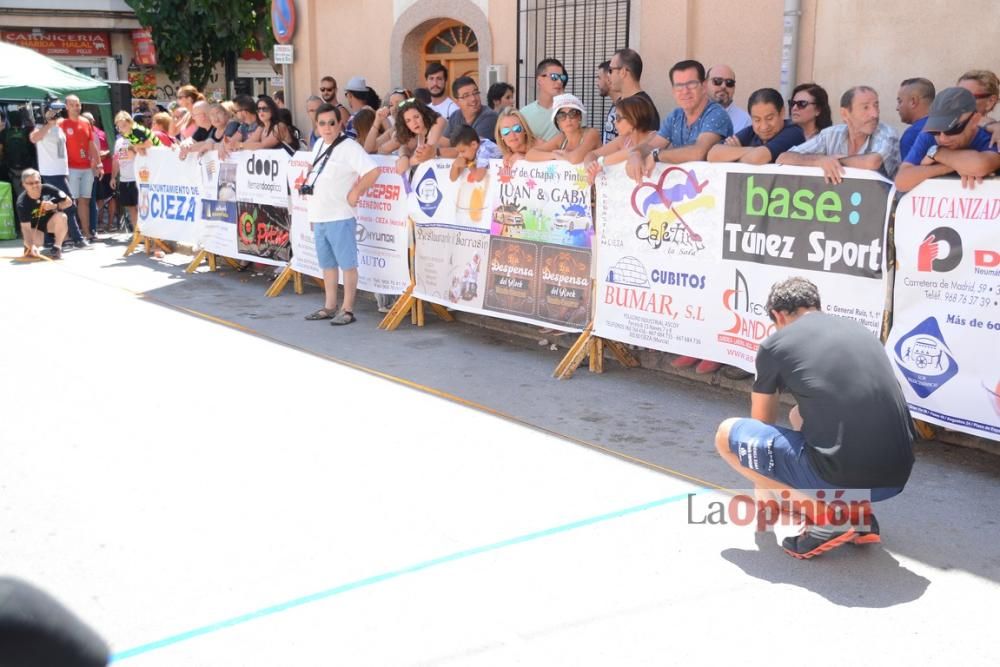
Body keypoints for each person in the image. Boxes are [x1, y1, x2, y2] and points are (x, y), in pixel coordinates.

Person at [715, 277, 914, 559]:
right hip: (896, 476)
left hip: (845, 472)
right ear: (817, 306)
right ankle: (856, 512)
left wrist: (768, 494)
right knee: (798, 413)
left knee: (727, 435)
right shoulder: (861, 331)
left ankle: (827, 515)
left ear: (778, 316)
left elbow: (761, 423)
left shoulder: (776, 344)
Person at [301, 103, 380, 326]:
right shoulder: (318, 146)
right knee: (327, 264)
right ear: (316, 126)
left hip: (340, 215)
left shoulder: (349, 147)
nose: (327, 128)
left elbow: (373, 171)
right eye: (322, 123)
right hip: (320, 215)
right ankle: (329, 305)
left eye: (332, 123)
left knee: (347, 264)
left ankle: (347, 309)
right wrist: (312, 215)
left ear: (340, 124)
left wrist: (357, 191)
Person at [627, 59, 732, 181]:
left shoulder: (716, 113)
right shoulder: (675, 116)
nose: (685, 91)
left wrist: (657, 155)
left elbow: (698, 153)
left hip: (714, 192)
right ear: (673, 91)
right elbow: (651, 145)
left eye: (691, 84)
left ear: (703, 86)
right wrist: (636, 154)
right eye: (679, 86)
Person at [777, 86, 900, 182]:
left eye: (876, 106)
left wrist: (834, 162)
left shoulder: (887, 132)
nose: (875, 114)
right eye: (866, 107)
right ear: (845, 114)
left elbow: (872, 162)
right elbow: (783, 158)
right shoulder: (830, 134)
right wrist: (819, 161)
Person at [895, 87, 1000, 192]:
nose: (942, 138)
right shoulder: (927, 135)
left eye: (952, 130)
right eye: (936, 130)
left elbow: (979, 166)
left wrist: (937, 152)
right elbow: (901, 182)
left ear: (974, 121)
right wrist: (952, 166)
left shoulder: (992, 137)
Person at [29, 98, 86, 248]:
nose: (55, 113)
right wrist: (49, 123)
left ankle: (54, 238)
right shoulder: (41, 126)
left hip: (60, 172)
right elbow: (34, 138)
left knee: (55, 206)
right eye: (52, 110)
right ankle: (77, 238)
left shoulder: (59, 127)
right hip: (50, 173)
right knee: (68, 204)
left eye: (56, 111)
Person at [708, 88, 805, 164]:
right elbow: (713, 154)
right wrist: (749, 151)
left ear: (782, 112)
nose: (764, 126)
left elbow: (758, 158)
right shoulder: (751, 132)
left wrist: (733, 154)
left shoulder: (794, 131)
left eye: (769, 118)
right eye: (757, 120)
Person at [584, 94, 660, 183]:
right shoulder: (624, 139)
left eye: (618, 118)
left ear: (633, 120)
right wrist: (590, 166)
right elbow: (592, 154)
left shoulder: (654, 137)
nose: (614, 122)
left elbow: (634, 151)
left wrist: (601, 162)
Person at [604, 48, 660, 146]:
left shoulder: (644, 107)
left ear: (623, 72)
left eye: (610, 70)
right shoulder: (619, 102)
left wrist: (604, 160)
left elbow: (645, 148)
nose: (608, 75)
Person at [526, 93, 600, 164]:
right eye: (562, 116)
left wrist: (561, 155)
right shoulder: (562, 138)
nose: (568, 119)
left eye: (573, 113)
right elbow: (530, 155)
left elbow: (575, 159)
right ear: (557, 122)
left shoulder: (591, 133)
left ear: (579, 117)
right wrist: (554, 155)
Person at [15, 168, 71, 259]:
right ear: (24, 185)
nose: (35, 185)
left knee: (62, 216)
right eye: (30, 183)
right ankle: (29, 247)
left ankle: (57, 248)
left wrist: (55, 206)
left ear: (40, 181)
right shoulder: (22, 203)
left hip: (50, 222)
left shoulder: (48, 189)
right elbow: (25, 229)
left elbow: (69, 202)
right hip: (34, 227)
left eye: (37, 182)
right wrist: (31, 245)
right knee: (35, 244)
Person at [384, 98, 446, 173]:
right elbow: (404, 147)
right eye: (408, 121)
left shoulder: (438, 122)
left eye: (416, 117)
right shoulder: (419, 133)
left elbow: (427, 153)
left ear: (424, 114)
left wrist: (407, 163)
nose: (414, 123)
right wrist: (404, 157)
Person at [440, 76, 498, 154]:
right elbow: (444, 143)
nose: (473, 99)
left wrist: (436, 152)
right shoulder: (455, 115)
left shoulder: (489, 117)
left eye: (475, 93)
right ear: (457, 101)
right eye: (466, 96)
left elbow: (471, 150)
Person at [519, 58, 568, 141]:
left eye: (562, 77)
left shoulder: (572, 110)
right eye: (554, 77)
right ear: (539, 80)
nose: (559, 81)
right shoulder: (524, 114)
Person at [111, 111, 144, 232]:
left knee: (140, 207)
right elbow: (116, 160)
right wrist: (113, 177)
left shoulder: (136, 138)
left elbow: (144, 154)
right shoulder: (118, 142)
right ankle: (137, 233)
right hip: (124, 179)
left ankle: (146, 233)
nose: (121, 128)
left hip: (137, 178)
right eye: (119, 126)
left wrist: (134, 149)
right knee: (131, 208)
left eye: (124, 125)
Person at [896, 78, 935, 159]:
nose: (897, 108)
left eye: (900, 101)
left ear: (913, 101)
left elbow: (909, 171)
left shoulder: (912, 134)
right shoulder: (949, 126)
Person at [706, 64, 751, 132]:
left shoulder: (745, 121)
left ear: (734, 88)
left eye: (729, 83)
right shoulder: (691, 115)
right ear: (705, 84)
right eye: (717, 81)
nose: (723, 86)